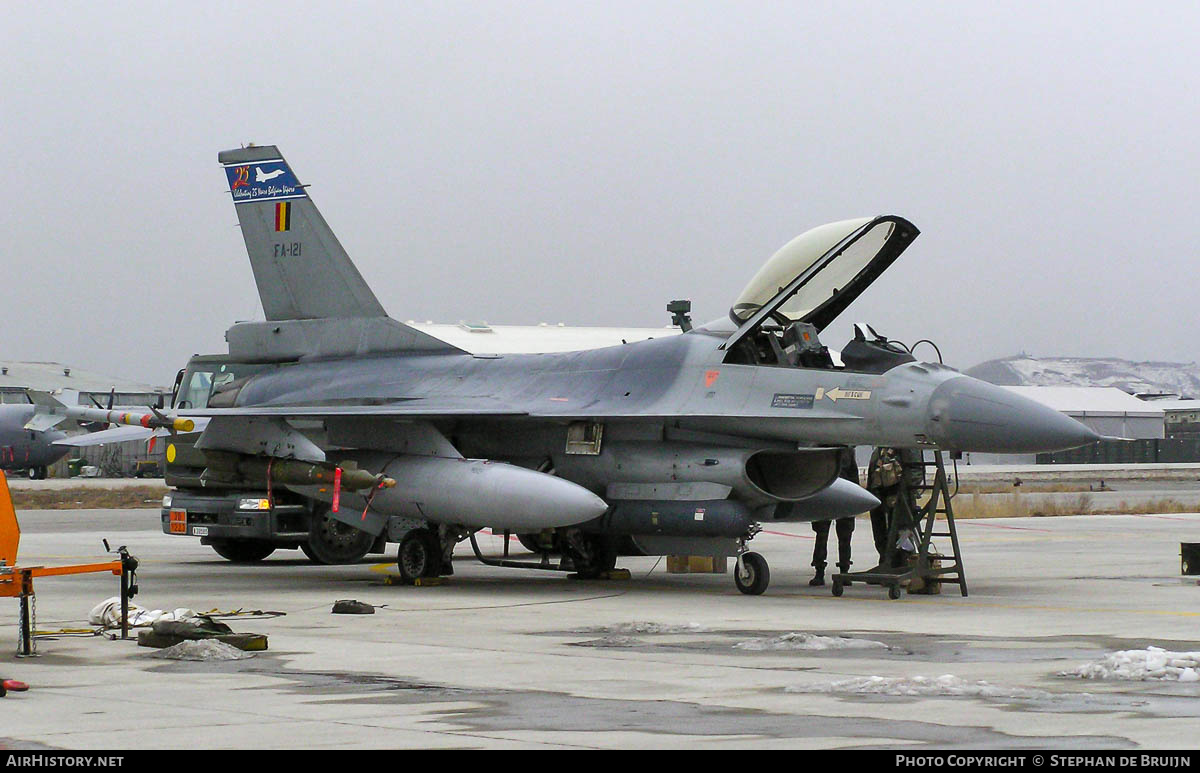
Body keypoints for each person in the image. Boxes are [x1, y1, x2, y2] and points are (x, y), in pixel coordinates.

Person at [809, 447, 860, 586]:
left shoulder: (844, 451)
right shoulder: (821, 450)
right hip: (825, 496)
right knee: (822, 536)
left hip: (842, 496)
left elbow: (853, 475)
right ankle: (820, 571)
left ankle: (844, 571)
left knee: (843, 537)